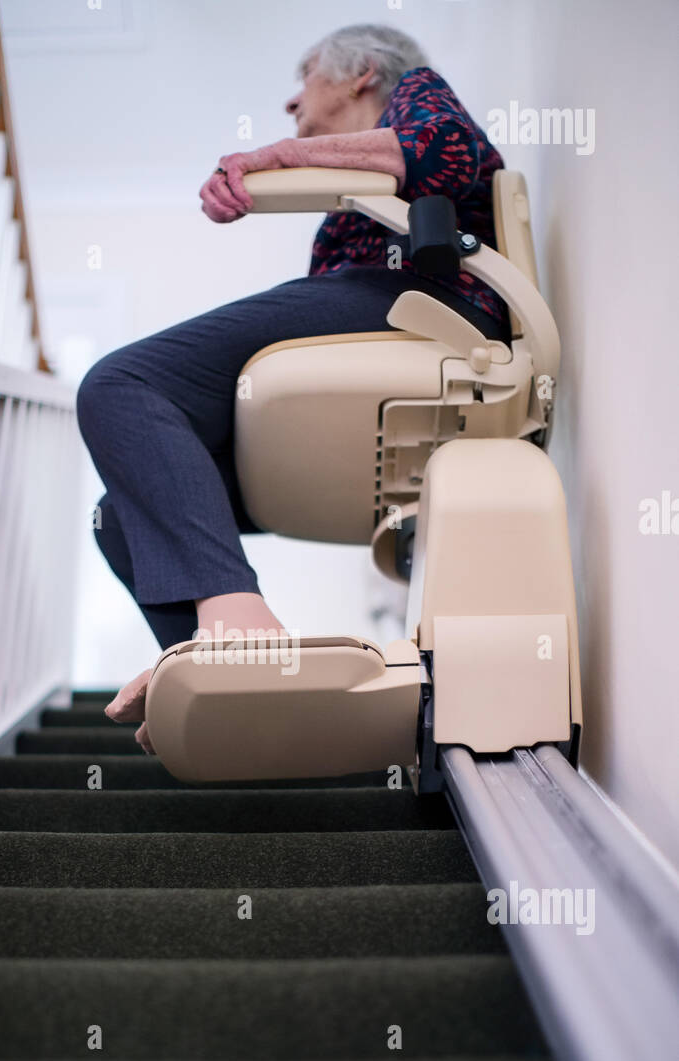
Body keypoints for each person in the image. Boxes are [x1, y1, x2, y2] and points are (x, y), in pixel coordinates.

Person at [76, 22, 510, 752]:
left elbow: (444, 151)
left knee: (122, 383)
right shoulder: (351, 196)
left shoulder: (417, 92)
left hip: (423, 303)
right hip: (378, 322)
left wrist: (270, 160)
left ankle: (238, 624)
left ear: (361, 72)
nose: (290, 103)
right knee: (118, 514)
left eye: (306, 75)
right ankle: (225, 685)